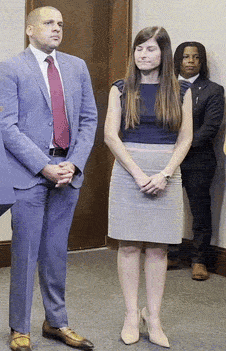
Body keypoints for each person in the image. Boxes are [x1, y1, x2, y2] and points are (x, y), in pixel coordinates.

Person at [0, 6, 97, 351]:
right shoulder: (11, 68)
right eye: (49, 23)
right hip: (30, 176)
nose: (57, 29)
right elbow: (6, 126)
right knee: (25, 253)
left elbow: (88, 120)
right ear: (29, 29)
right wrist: (43, 165)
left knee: (56, 253)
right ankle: (19, 328)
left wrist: (74, 164)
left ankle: (56, 322)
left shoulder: (76, 67)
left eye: (61, 24)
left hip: (67, 174)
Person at [104, 26, 193, 348]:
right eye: (139, 49)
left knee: (158, 249)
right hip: (130, 173)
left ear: (163, 54)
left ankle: (152, 317)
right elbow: (111, 136)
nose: (143, 55)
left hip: (166, 173)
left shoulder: (181, 90)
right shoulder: (120, 88)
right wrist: (139, 174)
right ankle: (131, 315)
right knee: (128, 247)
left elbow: (186, 138)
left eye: (151, 49)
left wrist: (166, 173)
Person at [169, 41, 223, 281]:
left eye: (195, 57)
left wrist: (181, 148)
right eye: (185, 57)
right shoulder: (165, 88)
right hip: (167, 158)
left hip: (198, 159)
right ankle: (168, 254)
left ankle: (199, 260)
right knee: (168, 207)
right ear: (177, 60)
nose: (190, 61)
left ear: (202, 61)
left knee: (200, 209)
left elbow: (210, 128)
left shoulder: (214, 90)